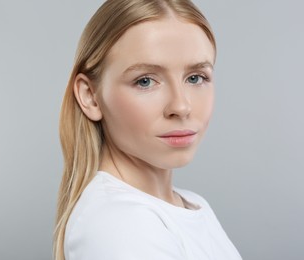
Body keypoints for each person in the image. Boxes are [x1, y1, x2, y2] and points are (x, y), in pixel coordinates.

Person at [54, 0, 242, 259]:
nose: (181, 106)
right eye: (145, 81)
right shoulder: (120, 225)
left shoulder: (190, 205)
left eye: (196, 77)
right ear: (90, 97)